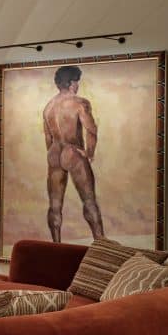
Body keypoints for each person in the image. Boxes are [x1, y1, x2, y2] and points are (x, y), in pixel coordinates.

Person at [43, 65, 105, 242]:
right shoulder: (80, 103)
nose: (77, 85)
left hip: (54, 153)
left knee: (54, 206)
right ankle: (101, 244)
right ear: (71, 83)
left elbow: (48, 138)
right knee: (89, 201)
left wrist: (54, 154)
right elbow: (91, 130)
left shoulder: (48, 107)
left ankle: (55, 247)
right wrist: (90, 153)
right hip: (73, 151)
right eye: (76, 81)